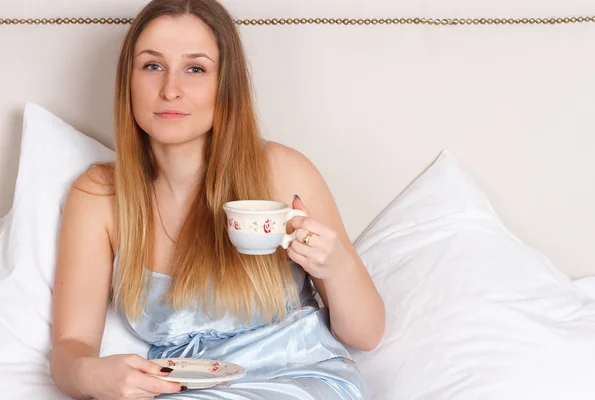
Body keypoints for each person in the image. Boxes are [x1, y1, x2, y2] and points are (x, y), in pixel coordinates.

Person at [50, 0, 385, 398]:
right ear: (128, 81)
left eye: (196, 68)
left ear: (225, 85)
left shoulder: (282, 171)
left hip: (296, 380)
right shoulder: (99, 196)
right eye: (152, 66)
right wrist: (91, 375)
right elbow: (71, 345)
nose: (170, 89)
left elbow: (366, 334)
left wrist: (335, 266)